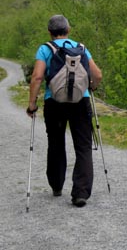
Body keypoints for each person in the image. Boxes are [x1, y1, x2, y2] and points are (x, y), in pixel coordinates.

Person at [26, 15, 102, 208]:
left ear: (50, 32)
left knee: (56, 143)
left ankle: (57, 185)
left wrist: (32, 103)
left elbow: (37, 77)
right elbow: (97, 74)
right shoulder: (82, 48)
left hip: (55, 103)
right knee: (83, 147)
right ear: (68, 30)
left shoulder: (45, 48)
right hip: (80, 101)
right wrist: (92, 87)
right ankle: (80, 193)